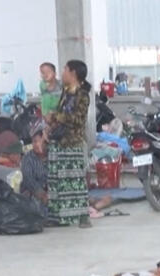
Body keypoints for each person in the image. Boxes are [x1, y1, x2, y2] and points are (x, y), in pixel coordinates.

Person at [46, 59, 92, 228]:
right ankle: (57, 217)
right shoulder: (66, 93)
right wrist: (51, 121)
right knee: (57, 181)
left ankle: (82, 216)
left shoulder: (82, 95)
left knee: (75, 181)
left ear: (73, 73)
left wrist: (57, 116)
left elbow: (78, 120)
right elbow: (61, 115)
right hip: (58, 141)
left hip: (72, 142)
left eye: (65, 70)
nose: (62, 73)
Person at [19, 124, 48, 205]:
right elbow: (28, 180)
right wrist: (42, 194)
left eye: (40, 141)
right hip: (32, 195)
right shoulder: (27, 158)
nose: (36, 144)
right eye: (34, 141)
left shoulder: (52, 156)